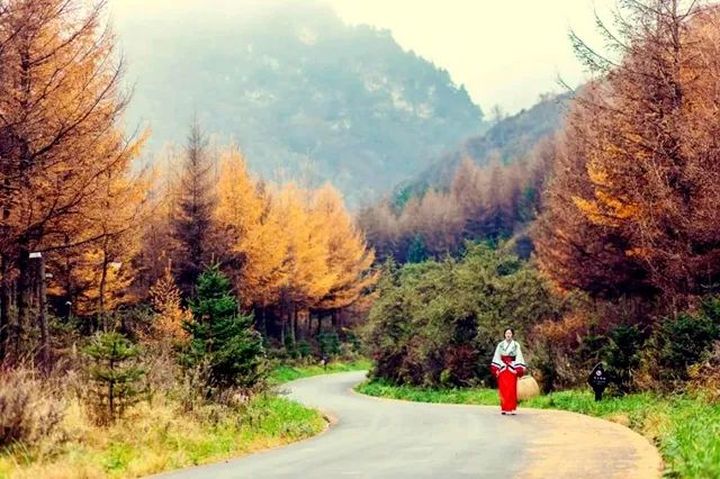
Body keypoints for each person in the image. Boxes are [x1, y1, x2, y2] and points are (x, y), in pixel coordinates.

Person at [490, 328, 526, 415]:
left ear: (512, 334)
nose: (508, 335)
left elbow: (519, 356)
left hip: (512, 368)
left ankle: (512, 408)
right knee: (503, 389)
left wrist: (518, 369)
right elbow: (497, 356)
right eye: (507, 333)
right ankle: (504, 408)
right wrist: (497, 369)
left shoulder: (516, 345)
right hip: (502, 368)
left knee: (512, 389)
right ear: (504, 334)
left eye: (510, 333)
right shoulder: (500, 345)